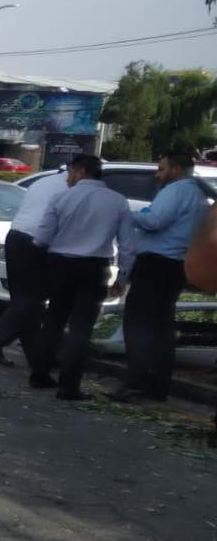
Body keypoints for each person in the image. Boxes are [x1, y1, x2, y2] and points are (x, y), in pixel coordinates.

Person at [30, 154, 134, 400]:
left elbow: (42, 237)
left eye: (70, 172)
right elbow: (128, 245)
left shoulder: (61, 198)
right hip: (94, 267)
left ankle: (39, 375)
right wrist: (123, 276)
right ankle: (69, 387)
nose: (67, 178)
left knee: (54, 321)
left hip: (61, 264)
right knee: (81, 327)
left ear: (82, 171)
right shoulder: (118, 202)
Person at [110, 153, 209, 402]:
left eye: (161, 168)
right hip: (177, 264)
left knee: (138, 324)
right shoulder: (199, 196)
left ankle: (136, 383)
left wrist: (126, 214)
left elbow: (155, 221)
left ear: (175, 170)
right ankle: (158, 385)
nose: (157, 174)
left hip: (156, 263)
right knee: (162, 326)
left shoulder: (175, 191)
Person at [0, 169, 69, 366]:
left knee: (24, 300)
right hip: (36, 241)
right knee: (33, 299)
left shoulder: (44, 182)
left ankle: (37, 355)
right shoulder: (68, 188)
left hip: (16, 237)